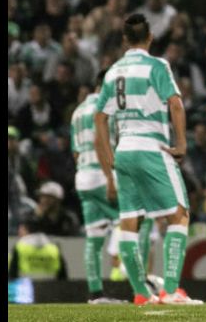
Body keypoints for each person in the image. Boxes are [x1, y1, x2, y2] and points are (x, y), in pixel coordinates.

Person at [95, 13, 203, 306]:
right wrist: (181, 143)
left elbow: (100, 117)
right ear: (150, 37)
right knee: (179, 214)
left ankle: (142, 293)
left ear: (124, 40)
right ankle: (171, 290)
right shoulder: (157, 65)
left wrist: (109, 157)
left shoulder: (112, 71)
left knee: (129, 221)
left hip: (124, 151)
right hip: (151, 147)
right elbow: (176, 104)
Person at [71, 70, 152, 303]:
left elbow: (75, 151)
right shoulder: (107, 108)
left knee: (94, 237)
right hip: (103, 175)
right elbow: (102, 142)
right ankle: (140, 283)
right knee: (141, 220)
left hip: (83, 178)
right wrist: (109, 179)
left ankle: (95, 293)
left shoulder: (77, 112)